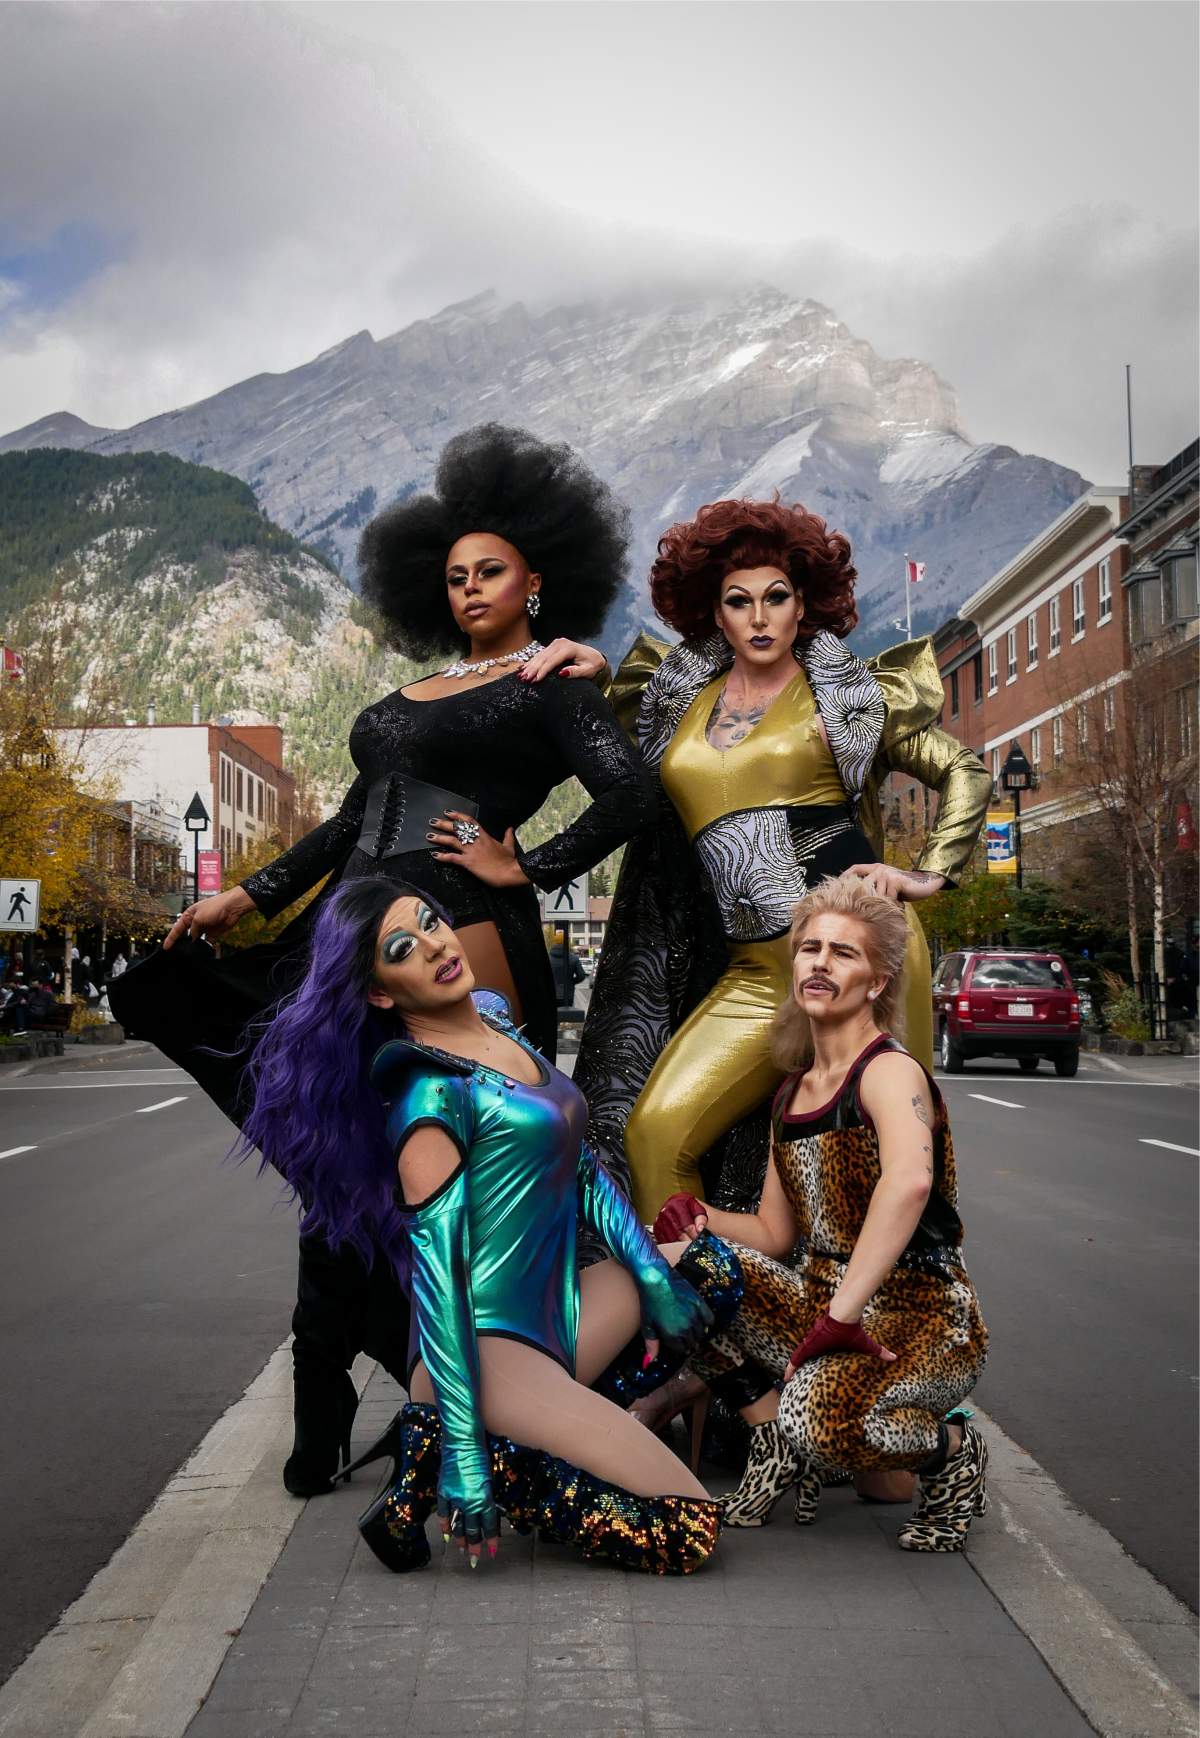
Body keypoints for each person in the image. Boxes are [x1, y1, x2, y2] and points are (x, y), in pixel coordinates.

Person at [109, 424, 652, 1500]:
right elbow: (353, 818)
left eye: (490, 570)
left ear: (536, 582)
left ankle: (489, 1398)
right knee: (342, 1161)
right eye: (454, 576)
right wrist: (248, 895)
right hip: (356, 934)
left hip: (460, 931)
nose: (470, 588)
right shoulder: (424, 692)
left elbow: (634, 791)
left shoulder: (550, 682)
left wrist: (524, 863)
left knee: (466, 1179)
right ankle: (343, 1397)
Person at [243, 877, 742, 1574]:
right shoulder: (429, 1094)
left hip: (564, 1314)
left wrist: (653, 1278)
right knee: (689, 1532)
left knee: (705, 1271)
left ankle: (436, 1453)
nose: (435, 946)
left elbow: (581, 1169)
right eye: (402, 949)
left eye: (430, 922)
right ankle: (473, 1452)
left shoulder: (493, 1020)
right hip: (488, 1353)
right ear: (380, 993)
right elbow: (439, 1282)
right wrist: (469, 1463)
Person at [538, 497, 991, 1225]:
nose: (759, 617)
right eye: (738, 600)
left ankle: (872, 1300)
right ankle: (699, 1292)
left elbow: (963, 770)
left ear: (801, 606)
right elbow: (622, 767)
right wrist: (594, 680)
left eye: (776, 597)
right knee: (655, 1136)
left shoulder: (847, 699)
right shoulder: (674, 698)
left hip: (860, 962)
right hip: (753, 972)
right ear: (714, 614)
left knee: (877, 1170)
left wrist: (926, 871)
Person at [654, 873, 989, 1551]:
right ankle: (772, 1439)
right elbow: (774, 1233)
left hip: (923, 1317)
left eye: (843, 952)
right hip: (821, 1300)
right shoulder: (792, 1093)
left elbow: (910, 1183)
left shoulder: (889, 1071)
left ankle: (953, 1450)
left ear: (877, 981)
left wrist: (841, 1316)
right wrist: (702, 1217)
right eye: (810, 948)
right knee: (673, 1266)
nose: (820, 962)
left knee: (823, 1422)